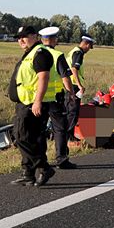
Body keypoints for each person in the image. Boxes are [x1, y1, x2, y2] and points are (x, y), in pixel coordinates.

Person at [8, 25, 56, 187]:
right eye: (18, 37)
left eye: (24, 36)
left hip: (32, 104)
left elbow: (43, 78)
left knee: (21, 136)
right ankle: (28, 173)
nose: (20, 40)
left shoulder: (40, 53)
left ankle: (44, 167)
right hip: (26, 102)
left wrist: (37, 101)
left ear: (35, 36)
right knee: (33, 138)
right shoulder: (29, 53)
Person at [38, 26, 77, 169]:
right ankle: (61, 159)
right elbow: (65, 77)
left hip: (38, 98)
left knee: (40, 130)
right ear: (53, 39)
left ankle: (41, 161)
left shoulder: (36, 53)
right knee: (60, 129)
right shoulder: (57, 55)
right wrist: (71, 93)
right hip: (54, 98)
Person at [66, 35, 95, 140]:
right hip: (74, 86)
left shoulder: (73, 51)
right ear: (86, 44)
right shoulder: (78, 53)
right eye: (89, 47)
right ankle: (69, 137)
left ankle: (68, 135)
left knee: (69, 111)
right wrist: (79, 85)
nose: (89, 50)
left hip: (68, 85)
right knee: (73, 112)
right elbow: (74, 69)